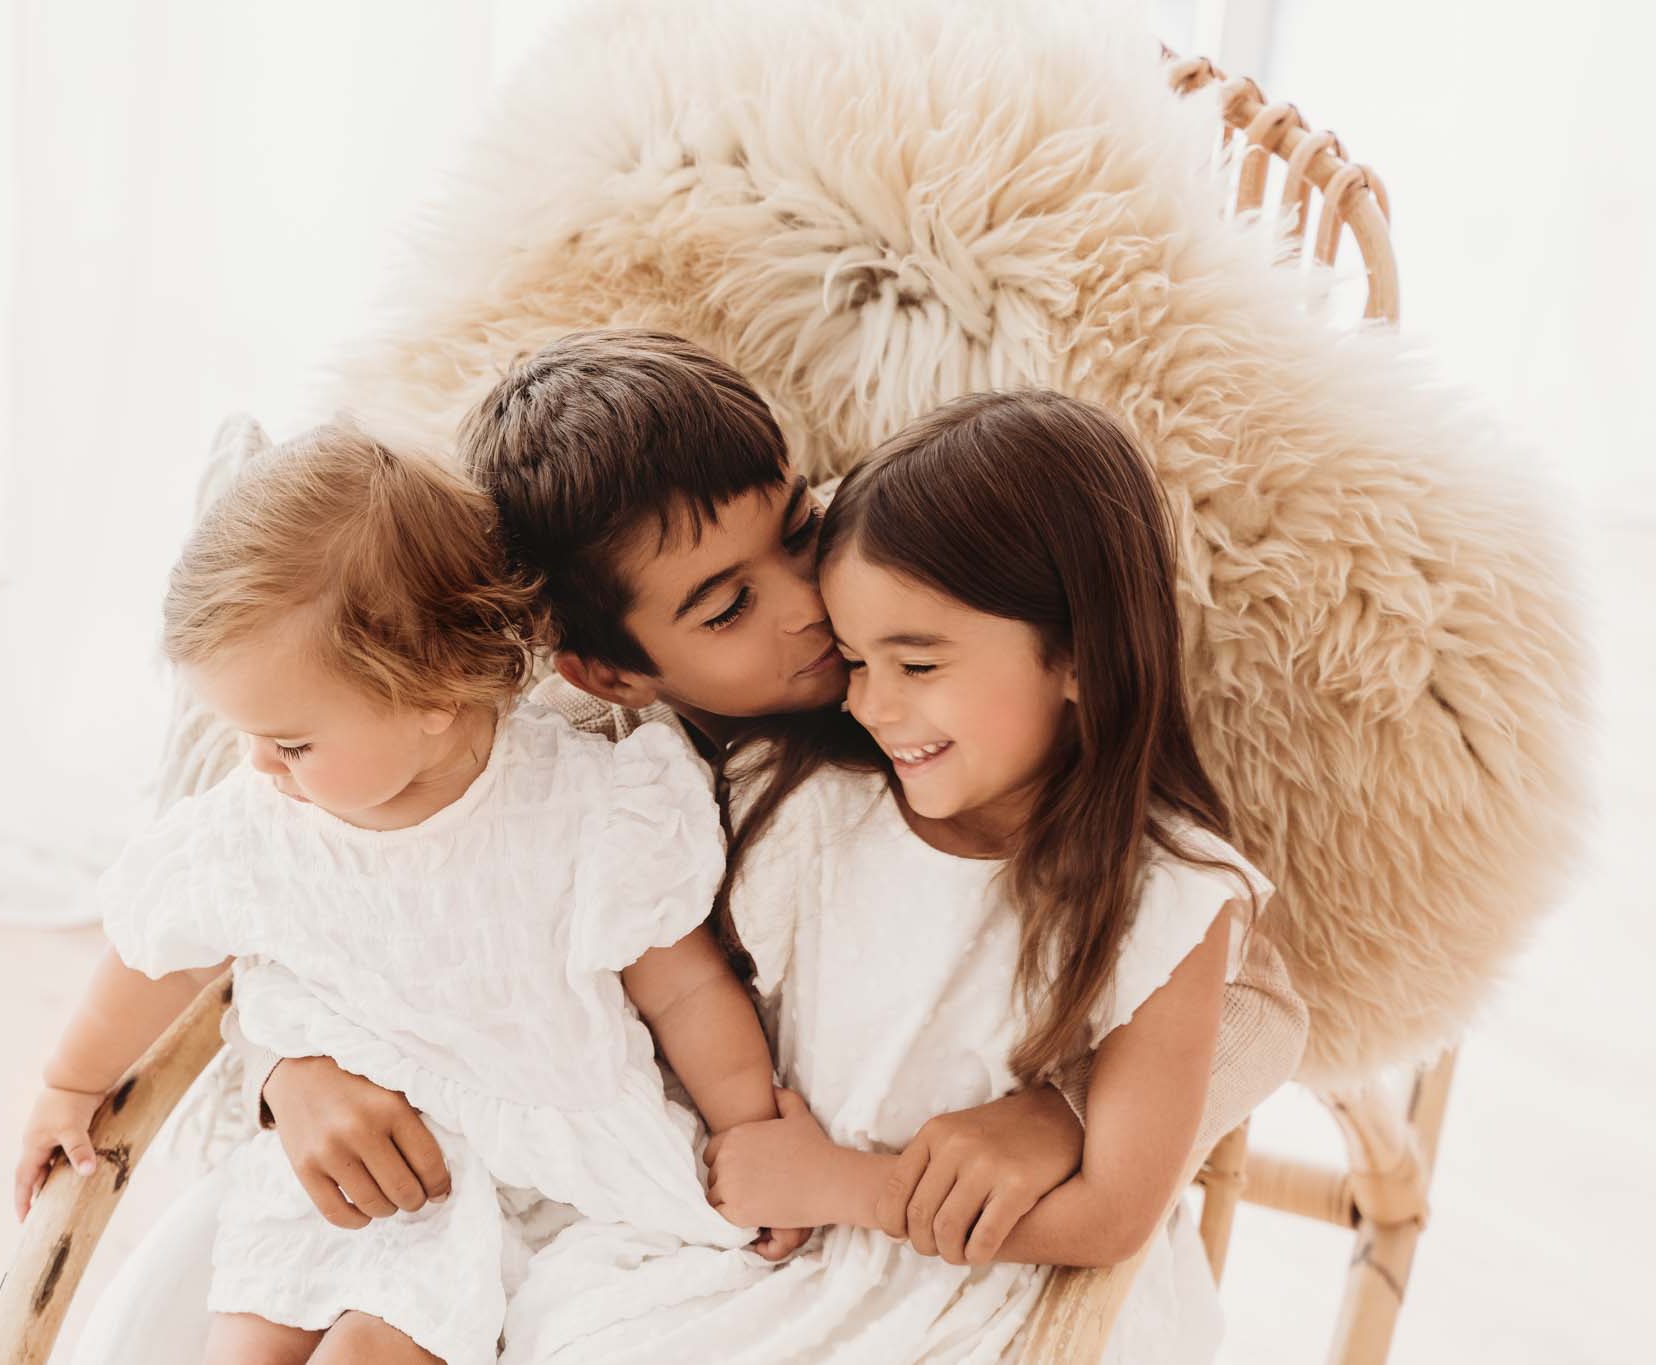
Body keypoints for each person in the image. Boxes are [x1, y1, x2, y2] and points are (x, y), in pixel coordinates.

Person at [504, 386, 1275, 1361]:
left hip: (963, 1264)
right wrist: (300, 1060)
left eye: (798, 536)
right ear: (609, 674)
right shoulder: (729, 788)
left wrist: (1060, 1113)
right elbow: (433, 883)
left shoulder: (906, 568)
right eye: (730, 607)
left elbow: (1242, 1017)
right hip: (771, 1247)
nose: (812, 623)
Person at [14, 423, 793, 1365]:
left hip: (546, 1176)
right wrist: (70, 1081)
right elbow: (156, 960)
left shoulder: (583, 806)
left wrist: (748, 1126)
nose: (258, 764)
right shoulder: (261, 825)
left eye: (291, 741)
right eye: (248, 734)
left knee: (371, 1352)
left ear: (437, 692)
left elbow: (682, 987)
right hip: (347, 1179)